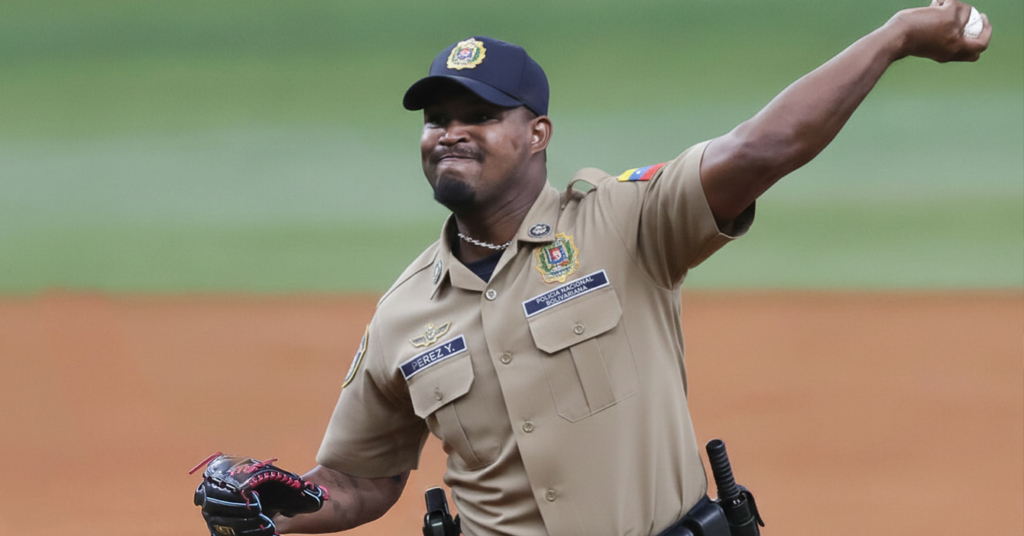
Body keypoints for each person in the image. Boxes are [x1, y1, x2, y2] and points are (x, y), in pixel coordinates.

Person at [261, 2, 990, 534]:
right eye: (435, 117)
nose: (449, 132)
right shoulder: (403, 312)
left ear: (537, 132)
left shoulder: (625, 222)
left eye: (477, 115)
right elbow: (359, 480)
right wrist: (270, 506)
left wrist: (893, 38)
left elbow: (762, 149)